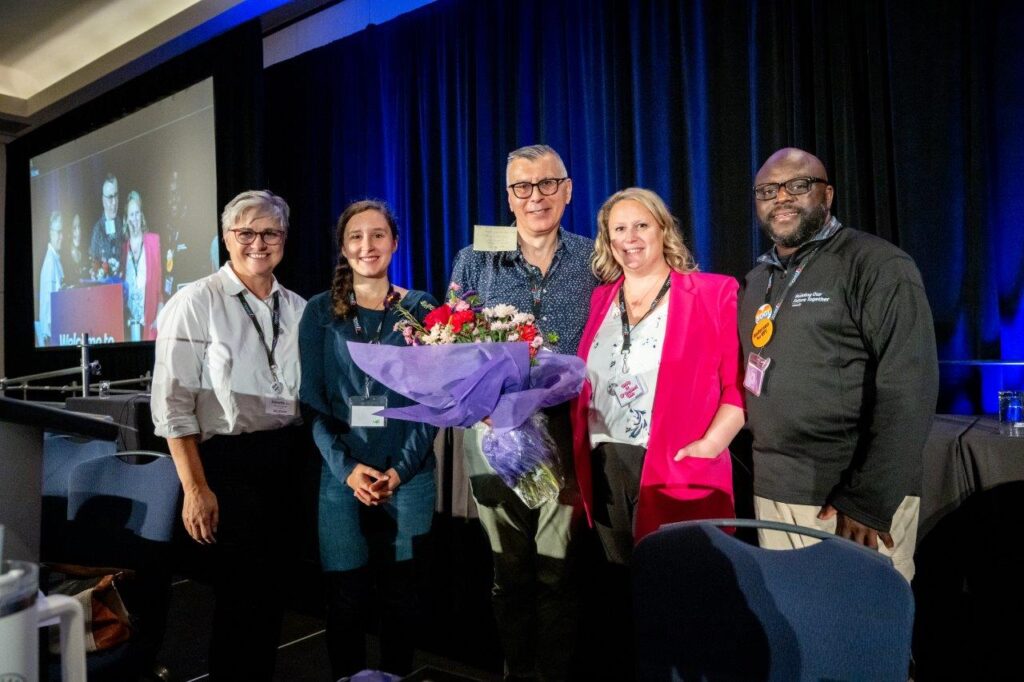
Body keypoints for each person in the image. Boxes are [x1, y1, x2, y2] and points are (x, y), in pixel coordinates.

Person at [739, 147, 938, 581]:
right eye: (767, 190)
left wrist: (869, 500)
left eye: (798, 185)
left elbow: (910, 388)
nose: (781, 198)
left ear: (827, 195)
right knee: (795, 626)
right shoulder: (758, 281)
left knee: (861, 634)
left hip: (849, 498)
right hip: (776, 491)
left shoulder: (877, 265)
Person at [570, 187, 744, 679]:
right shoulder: (601, 298)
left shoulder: (714, 292)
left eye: (641, 225)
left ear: (664, 229)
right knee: (621, 602)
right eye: (619, 229)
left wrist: (708, 447)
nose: (631, 238)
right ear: (607, 240)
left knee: (685, 603)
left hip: (677, 466)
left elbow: (737, 389)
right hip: (606, 469)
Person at [449, 144, 597, 682]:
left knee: (559, 572)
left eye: (547, 184)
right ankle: (517, 672)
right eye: (522, 187)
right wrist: (480, 405)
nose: (536, 198)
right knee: (507, 570)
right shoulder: (474, 259)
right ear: (508, 197)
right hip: (492, 431)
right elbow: (451, 345)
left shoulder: (595, 258)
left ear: (568, 190)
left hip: (564, 429)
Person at [151, 190, 306, 680]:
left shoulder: (299, 308)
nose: (258, 243)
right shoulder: (195, 301)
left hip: (287, 461)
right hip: (227, 468)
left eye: (270, 233)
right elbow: (172, 407)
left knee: (272, 602)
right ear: (226, 238)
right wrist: (196, 489)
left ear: (283, 239)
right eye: (246, 233)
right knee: (238, 603)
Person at [299, 200, 438, 678]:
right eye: (356, 236)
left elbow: (433, 402)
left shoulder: (422, 309)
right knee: (347, 595)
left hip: (411, 472)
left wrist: (401, 468)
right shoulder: (319, 311)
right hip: (343, 474)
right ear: (343, 247)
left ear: (395, 243)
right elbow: (313, 405)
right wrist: (346, 469)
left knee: (403, 594)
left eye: (378, 235)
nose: (367, 246)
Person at [122, 190, 163, 340]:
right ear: (126, 219)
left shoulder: (153, 242)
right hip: (128, 328)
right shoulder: (123, 249)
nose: (135, 218)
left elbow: (160, 287)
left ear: (141, 215)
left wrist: (159, 317)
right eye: (131, 214)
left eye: (137, 213)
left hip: (150, 325)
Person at [38, 211, 64, 345]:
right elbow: (48, 303)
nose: (62, 237)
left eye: (62, 232)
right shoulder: (50, 263)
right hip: (52, 336)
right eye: (58, 232)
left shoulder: (56, 259)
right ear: (50, 233)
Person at [90, 173, 122, 277]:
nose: (114, 202)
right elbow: (94, 268)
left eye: (116, 195)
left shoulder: (122, 225)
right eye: (110, 197)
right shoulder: (97, 231)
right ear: (103, 200)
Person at [63, 213, 89, 284]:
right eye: (74, 228)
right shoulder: (64, 258)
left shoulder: (85, 254)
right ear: (68, 231)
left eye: (79, 226)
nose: (78, 232)